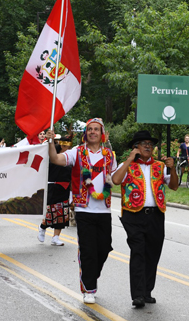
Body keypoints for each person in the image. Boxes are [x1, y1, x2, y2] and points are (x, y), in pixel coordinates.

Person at [46, 118, 116, 304]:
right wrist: (51, 141)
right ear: (86, 133)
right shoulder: (77, 152)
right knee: (88, 250)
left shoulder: (110, 155)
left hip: (104, 211)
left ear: (102, 134)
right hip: (83, 209)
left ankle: (91, 274)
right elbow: (55, 159)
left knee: (104, 248)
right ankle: (89, 287)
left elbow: (116, 176)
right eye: (90, 129)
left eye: (96, 129)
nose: (93, 132)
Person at [112, 130, 178, 308]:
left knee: (152, 254)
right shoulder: (126, 165)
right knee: (138, 253)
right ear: (136, 147)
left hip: (156, 215)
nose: (148, 146)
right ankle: (138, 295)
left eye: (150, 143)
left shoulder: (160, 165)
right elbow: (116, 180)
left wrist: (172, 168)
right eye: (143, 143)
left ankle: (147, 291)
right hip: (134, 215)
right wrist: (129, 159)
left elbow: (174, 186)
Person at [38, 135, 73, 246]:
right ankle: (42, 227)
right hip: (52, 187)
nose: (66, 147)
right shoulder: (52, 156)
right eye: (64, 144)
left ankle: (56, 237)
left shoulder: (71, 157)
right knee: (50, 213)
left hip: (65, 189)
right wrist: (50, 141)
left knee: (62, 214)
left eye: (68, 144)